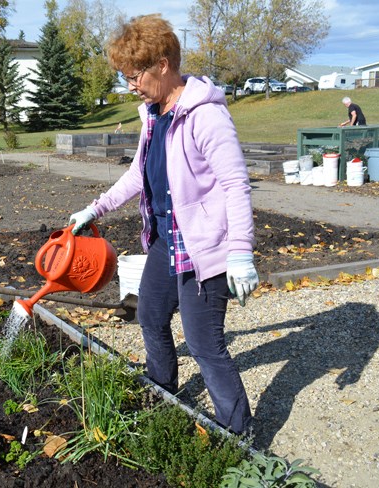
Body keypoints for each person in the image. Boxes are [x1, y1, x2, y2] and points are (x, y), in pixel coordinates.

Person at [68, 14, 258, 434]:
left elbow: (235, 184)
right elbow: (139, 174)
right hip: (164, 241)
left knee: (205, 344)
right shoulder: (154, 114)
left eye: (134, 76)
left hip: (204, 248)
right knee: (150, 317)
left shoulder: (205, 116)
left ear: (163, 65)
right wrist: (94, 210)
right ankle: (163, 388)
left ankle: (240, 434)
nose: (130, 85)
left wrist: (241, 251)